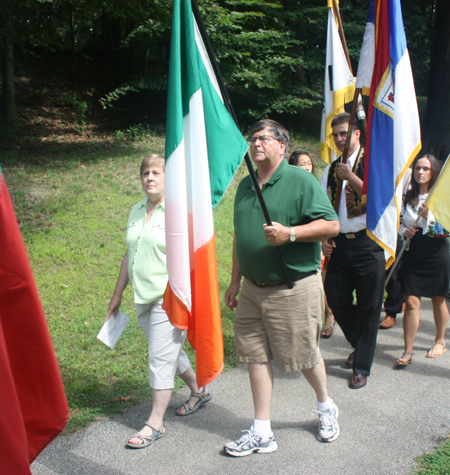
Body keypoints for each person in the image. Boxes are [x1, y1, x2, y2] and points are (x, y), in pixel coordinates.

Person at [224, 119, 340, 457]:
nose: (256, 143)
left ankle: (325, 407)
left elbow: (331, 224)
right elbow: (239, 235)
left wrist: (291, 233)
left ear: (281, 147)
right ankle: (262, 431)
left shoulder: (300, 180)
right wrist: (234, 280)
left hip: (293, 287)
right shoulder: (246, 186)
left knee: (304, 355)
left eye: (264, 138)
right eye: (253, 138)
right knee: (255, 357)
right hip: (251, 289)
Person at [105, 154, 211, 449]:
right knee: (169, 352)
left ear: (168, 179)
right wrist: (117, 295)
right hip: (143, 296)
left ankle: (155, 423)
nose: (149, 178)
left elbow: (193, 260)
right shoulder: (136, 210)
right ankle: (199, 391)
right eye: (145, 173)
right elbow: (130, 254)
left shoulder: (177, 213)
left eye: (156, 173)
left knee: (159, 358)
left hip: (169, 298)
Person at [320, 112, 385, 390]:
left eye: (345, 133)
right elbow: (324, 210)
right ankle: (362, 343)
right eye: (336, 135)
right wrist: (324, 236)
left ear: (357, 134)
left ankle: (361, 366)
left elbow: (380, 202)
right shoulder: (329, 170)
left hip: (368, 242)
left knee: (370, 305)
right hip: (340, 243)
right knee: (335, 297)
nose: (339, 139)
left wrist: (352, 177)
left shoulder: (372, 162)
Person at [396, 154, 450, 365]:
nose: (420, 172)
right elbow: (399, 223)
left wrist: (429, 218)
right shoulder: (407, 197)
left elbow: (445, 231)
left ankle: (439, 340)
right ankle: (408, 350)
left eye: (425, 168)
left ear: (434, 171)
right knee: (410, 301)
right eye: (418, 168)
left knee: (438, 299)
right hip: (414, 252)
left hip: (437, 252)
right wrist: (404, 231)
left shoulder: (442, 198)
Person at [289, 150, 335, 338]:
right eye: (302, 164)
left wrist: (324, 240)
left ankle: (329, 314)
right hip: (293, 242)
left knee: (319, 282)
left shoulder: (316, 185)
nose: (307, 167)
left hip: (315, 242)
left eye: (309, 163)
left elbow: (325, 217)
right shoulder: (288, 186)